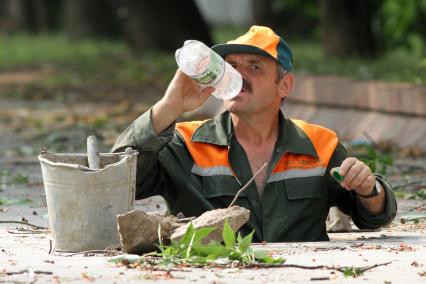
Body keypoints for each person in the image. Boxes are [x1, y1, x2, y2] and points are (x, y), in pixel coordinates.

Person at [112, 26, 397, 242]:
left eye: (254, 66)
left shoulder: (319, 144)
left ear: (284, 85)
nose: (238, 75)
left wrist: (369, 189)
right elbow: (113, 184)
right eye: (232, 66)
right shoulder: (187, 142)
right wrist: (168, 107)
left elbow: (372, 217)